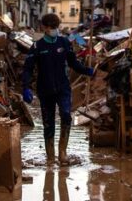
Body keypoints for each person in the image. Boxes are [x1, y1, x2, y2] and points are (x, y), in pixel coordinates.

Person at [22, 13, 94, 165]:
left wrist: (87, 70)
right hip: (45, 89)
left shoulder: (64, 43)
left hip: (63, 88)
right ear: (44, 28)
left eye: (55, 27)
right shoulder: (37, 46)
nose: (53, 30)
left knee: (66, 115)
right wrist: (25, 87)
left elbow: (73, 63)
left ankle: (62, 152)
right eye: (50, 27)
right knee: (48, 122)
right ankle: (50, 156)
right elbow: (27, 69)